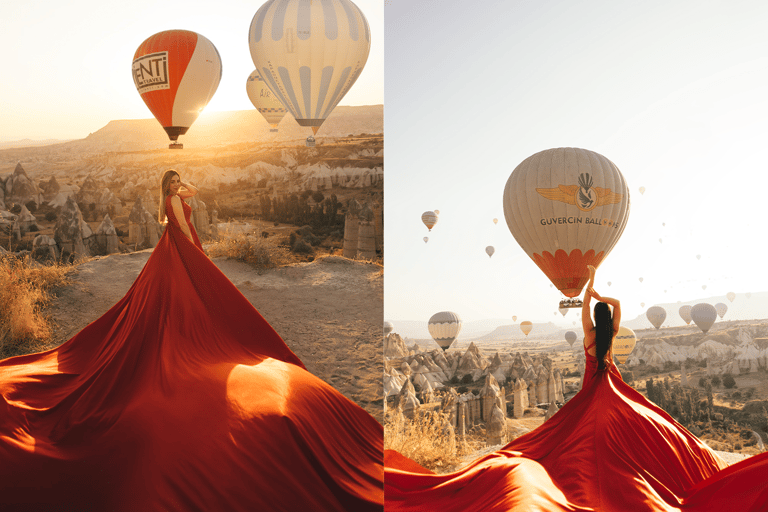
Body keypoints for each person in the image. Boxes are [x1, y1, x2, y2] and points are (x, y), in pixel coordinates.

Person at [0, 170, 383, 511]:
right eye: (171, 182)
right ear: (165, 188)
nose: (176, 187)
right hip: (181, 246)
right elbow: (182, 226)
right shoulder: (173, 203)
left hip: (172, 246)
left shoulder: (173, 197)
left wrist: (183, 186)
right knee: (186, 290)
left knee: (165, 291)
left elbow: (192, 198)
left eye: (175, 182)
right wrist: (195, 250)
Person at [385, 266, 768, 511]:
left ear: (592, 323)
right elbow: (617, 308)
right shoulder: (612, 332)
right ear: (611, 324)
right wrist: (605, 295)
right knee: (644, 424)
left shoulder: (586, 335)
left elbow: (584, 307)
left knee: (575, 432)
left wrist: (590, 282)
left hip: (592, 384)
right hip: (613, 383)